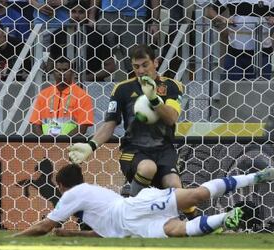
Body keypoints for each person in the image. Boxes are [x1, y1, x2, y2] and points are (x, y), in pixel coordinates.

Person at [68, 44, 197, 216]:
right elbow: (109, 124)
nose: (141, 70)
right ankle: (129, 214)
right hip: (133, 151)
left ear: (156, 63)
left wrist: (153, 98)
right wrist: (90, 146)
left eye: (145, 65)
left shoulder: (172, 87)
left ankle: (199, 222)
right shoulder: (122, 89)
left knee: (175, 187)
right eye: (136, 67)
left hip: (164, 150)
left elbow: (171, 118)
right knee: (147, 168)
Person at [12, 164, 274, 238]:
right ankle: (226, 218)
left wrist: (14, 238)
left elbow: (43, 226)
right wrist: (73, 235)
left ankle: (254, 177)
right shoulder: (88, 201)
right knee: (176, 230)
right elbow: (106, 232)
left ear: (61, 186)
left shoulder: (73, 194)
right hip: (129, 229)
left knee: (194, 195)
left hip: (134, 207)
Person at [50, 0, 116, 81]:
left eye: (81, 12)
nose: (77, 15)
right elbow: (52, 61)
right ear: (68, 13)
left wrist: (87, 78)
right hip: (65, 83)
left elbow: (110, 67)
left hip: (92, 83)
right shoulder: (57, 34)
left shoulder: (97, 36)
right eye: (73, 11)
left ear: (87, 13)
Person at [29, 57, 94, 136]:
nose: (61, 73)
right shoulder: (43, 95)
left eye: (65, 70)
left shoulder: (82, 96)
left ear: (72, 72)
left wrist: (64, 143)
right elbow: (35, 123)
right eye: (58, 70)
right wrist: (44, 143)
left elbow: (83, 127)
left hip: (70, 145)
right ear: (53, 72)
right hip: (46, 145)